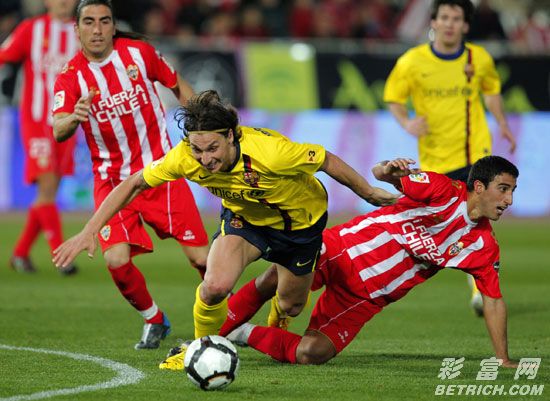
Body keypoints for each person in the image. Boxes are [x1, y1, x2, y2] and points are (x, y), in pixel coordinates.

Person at [52, 89, 399, 351]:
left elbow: (325, 160)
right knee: (214, 286)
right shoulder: (184, 157)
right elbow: (133, 183)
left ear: (231, 136)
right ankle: (199, 350)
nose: (204, 159)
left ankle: (275, 302)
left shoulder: (271, 154)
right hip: (244, 219)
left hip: (299, 225)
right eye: (197, 149)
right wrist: (89, 230)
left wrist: (368, 191)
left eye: (212, 149)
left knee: (291, 304)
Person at [224, 155, 518, 368]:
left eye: (512, 191)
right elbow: (381, 174)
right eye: (503, 189)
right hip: (342, 250)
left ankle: (241, 332)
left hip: (365, 297)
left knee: (312, 353)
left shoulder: (483, 246)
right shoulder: (442, 189)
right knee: (273, 281)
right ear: (479, 186)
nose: (509, 200)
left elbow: (493, 301)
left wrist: (502, 359)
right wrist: (388, 169)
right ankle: (211, 332)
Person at [51, 0, 210, 350]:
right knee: (116, 260)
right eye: (89, 22)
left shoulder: (139, 53)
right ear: (76, 29)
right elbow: (58, 128)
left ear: (113, 25)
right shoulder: (70, 76)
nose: (97, 29)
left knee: (202, 259)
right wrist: (74, 117)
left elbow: (177, 84)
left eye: (104, 21)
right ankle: (154, 318)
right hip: (112, 182)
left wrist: (204, 122)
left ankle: (226, 321)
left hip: (161, 172)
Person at [383, 0, 516, 314]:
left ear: (465, 25)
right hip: (436, 159)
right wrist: (407, 122)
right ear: (434, 22)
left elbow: (491, 90)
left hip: (475, 155)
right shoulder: (412, 61)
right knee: (434, 227)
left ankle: (480, 290)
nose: (449, 24)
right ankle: (387, 279)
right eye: (444, 17)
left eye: (456, 18)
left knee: (477, 221)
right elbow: (393, 97)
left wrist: (502, 123)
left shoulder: (478, 58)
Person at [0, 0, 79, 275]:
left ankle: (20, 254)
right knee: (46, 185)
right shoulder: (30, 29)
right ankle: (62, 256)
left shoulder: (83, 32)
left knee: (49, 193)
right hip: (35, 120)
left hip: (67, 122)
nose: (64, 2)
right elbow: (4, 55)